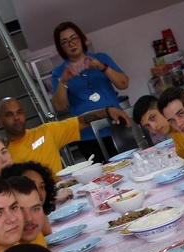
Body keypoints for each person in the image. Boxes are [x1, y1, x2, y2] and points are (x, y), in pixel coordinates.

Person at [50, 22, 130, 161]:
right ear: (61, 47)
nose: (71, 44)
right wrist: (64, 81)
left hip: (116, 125)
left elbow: (123, 84)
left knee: (132, 165)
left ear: (81, 39)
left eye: (74, 38)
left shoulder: (101, 58)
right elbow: (59, 106)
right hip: (88, 135)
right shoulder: (58, 72)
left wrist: (102, 67)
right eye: (65, 42)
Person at [0, 96, 130, 176]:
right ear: (0, 120)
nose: (16, 118)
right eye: (9, 115)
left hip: (65, 191)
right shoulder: (2, 154)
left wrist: (107, 111)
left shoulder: (46, 132)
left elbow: (81, 121)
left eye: (19, 112)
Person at [5, 176, 50, 245]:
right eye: (20, 210)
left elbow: (47, 230)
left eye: (35, 209)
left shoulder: (35, 232)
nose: (29, 218)